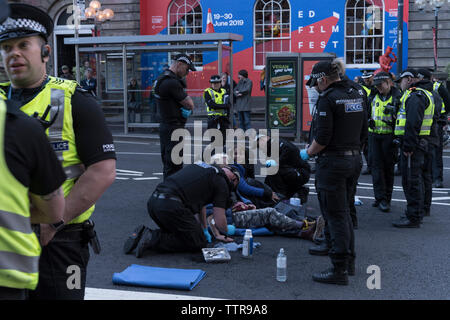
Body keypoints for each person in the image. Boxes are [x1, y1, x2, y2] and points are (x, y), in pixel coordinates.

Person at [0, 3, 117, 300]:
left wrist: (54, 222)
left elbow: (103, 171)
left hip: (63, 241)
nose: (14, 53)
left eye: (24, 45)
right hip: (8, 239)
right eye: (6, 47)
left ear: (46, 52)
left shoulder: (75, 99)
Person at [300, 60, 367, 285]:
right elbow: (364, 129)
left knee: (335, 215)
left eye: (315, 83)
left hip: (333, 163)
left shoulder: (328, 99)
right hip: (354, 159)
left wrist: (307, 153)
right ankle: (349, 262)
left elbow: (322, 138)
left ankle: (339, 269)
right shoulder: (356, 93)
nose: (315, 88)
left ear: (323, 79)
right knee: (345, 212)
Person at [123, 163, 239, 257]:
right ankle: (152, 237)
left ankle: (143, 235)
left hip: (154, 203)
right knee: (197, 243)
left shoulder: (203, 168)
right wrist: (225, 233)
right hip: (170, 206)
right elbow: (219, 220)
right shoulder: (221, 182)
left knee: (189, 234)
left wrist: (204, 230)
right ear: (233, 179)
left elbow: (201, 206)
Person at [393, 69, 436, 227]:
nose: (400, 84)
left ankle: (413, 217)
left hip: (414, 145)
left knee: (411, 181)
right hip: (421, 142)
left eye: (401, 81)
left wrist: (408, 145)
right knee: (417, 179)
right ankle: (417, 212)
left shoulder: (415, 95)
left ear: (409, 79)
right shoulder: (425, 93)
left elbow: (412, 123)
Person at [153, 53, 196, 179]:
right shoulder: (171, 82)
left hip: (166, 126)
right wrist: (187, 107)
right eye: (187, 69)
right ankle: (172, 194)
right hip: (173, 128)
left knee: (169, 163)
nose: (187, 73)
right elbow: (190, 104)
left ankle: (168, 191)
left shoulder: (161, 78)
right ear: (179, 64)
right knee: (175, 165)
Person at [368, 72, 402, 212]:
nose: (378, 88)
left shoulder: (398, 97)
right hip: (374, 136)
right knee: (376, 168)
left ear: (389, 83)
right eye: (376, 85)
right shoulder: (373, 96)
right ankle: (379, 198)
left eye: (381, 85)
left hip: (389, 137)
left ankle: (386, 199)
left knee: (388, 169)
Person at [417, 68, 450, 188]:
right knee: (427, 152)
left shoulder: (438, 87)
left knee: (436, 152)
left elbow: (448, 102)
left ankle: (437, 178)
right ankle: (429, 177)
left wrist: (442, 116)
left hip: (436, 124)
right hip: (425, 124)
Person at [258, 134, 311, 204]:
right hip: (297, 172)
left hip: (301, 173)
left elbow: (289, 151)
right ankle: (298, 192)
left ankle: (280, 197)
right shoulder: (271, 146)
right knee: (273, 173)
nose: (260, 147)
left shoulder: (276, 144)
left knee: (274, 171)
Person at [204, 74, 230, 142]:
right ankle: (214, 152)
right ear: (211, 83)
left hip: (223, 118)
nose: (215, 84)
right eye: (213, 83)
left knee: (224, 139)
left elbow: (229, 104)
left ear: (220, 83)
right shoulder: (208, 92)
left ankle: (221, 151)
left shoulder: (224, 91)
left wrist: (227, 115)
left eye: (217, 83)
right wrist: (224, 106)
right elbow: (212, 105)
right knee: (214, 140)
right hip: (213, 118)